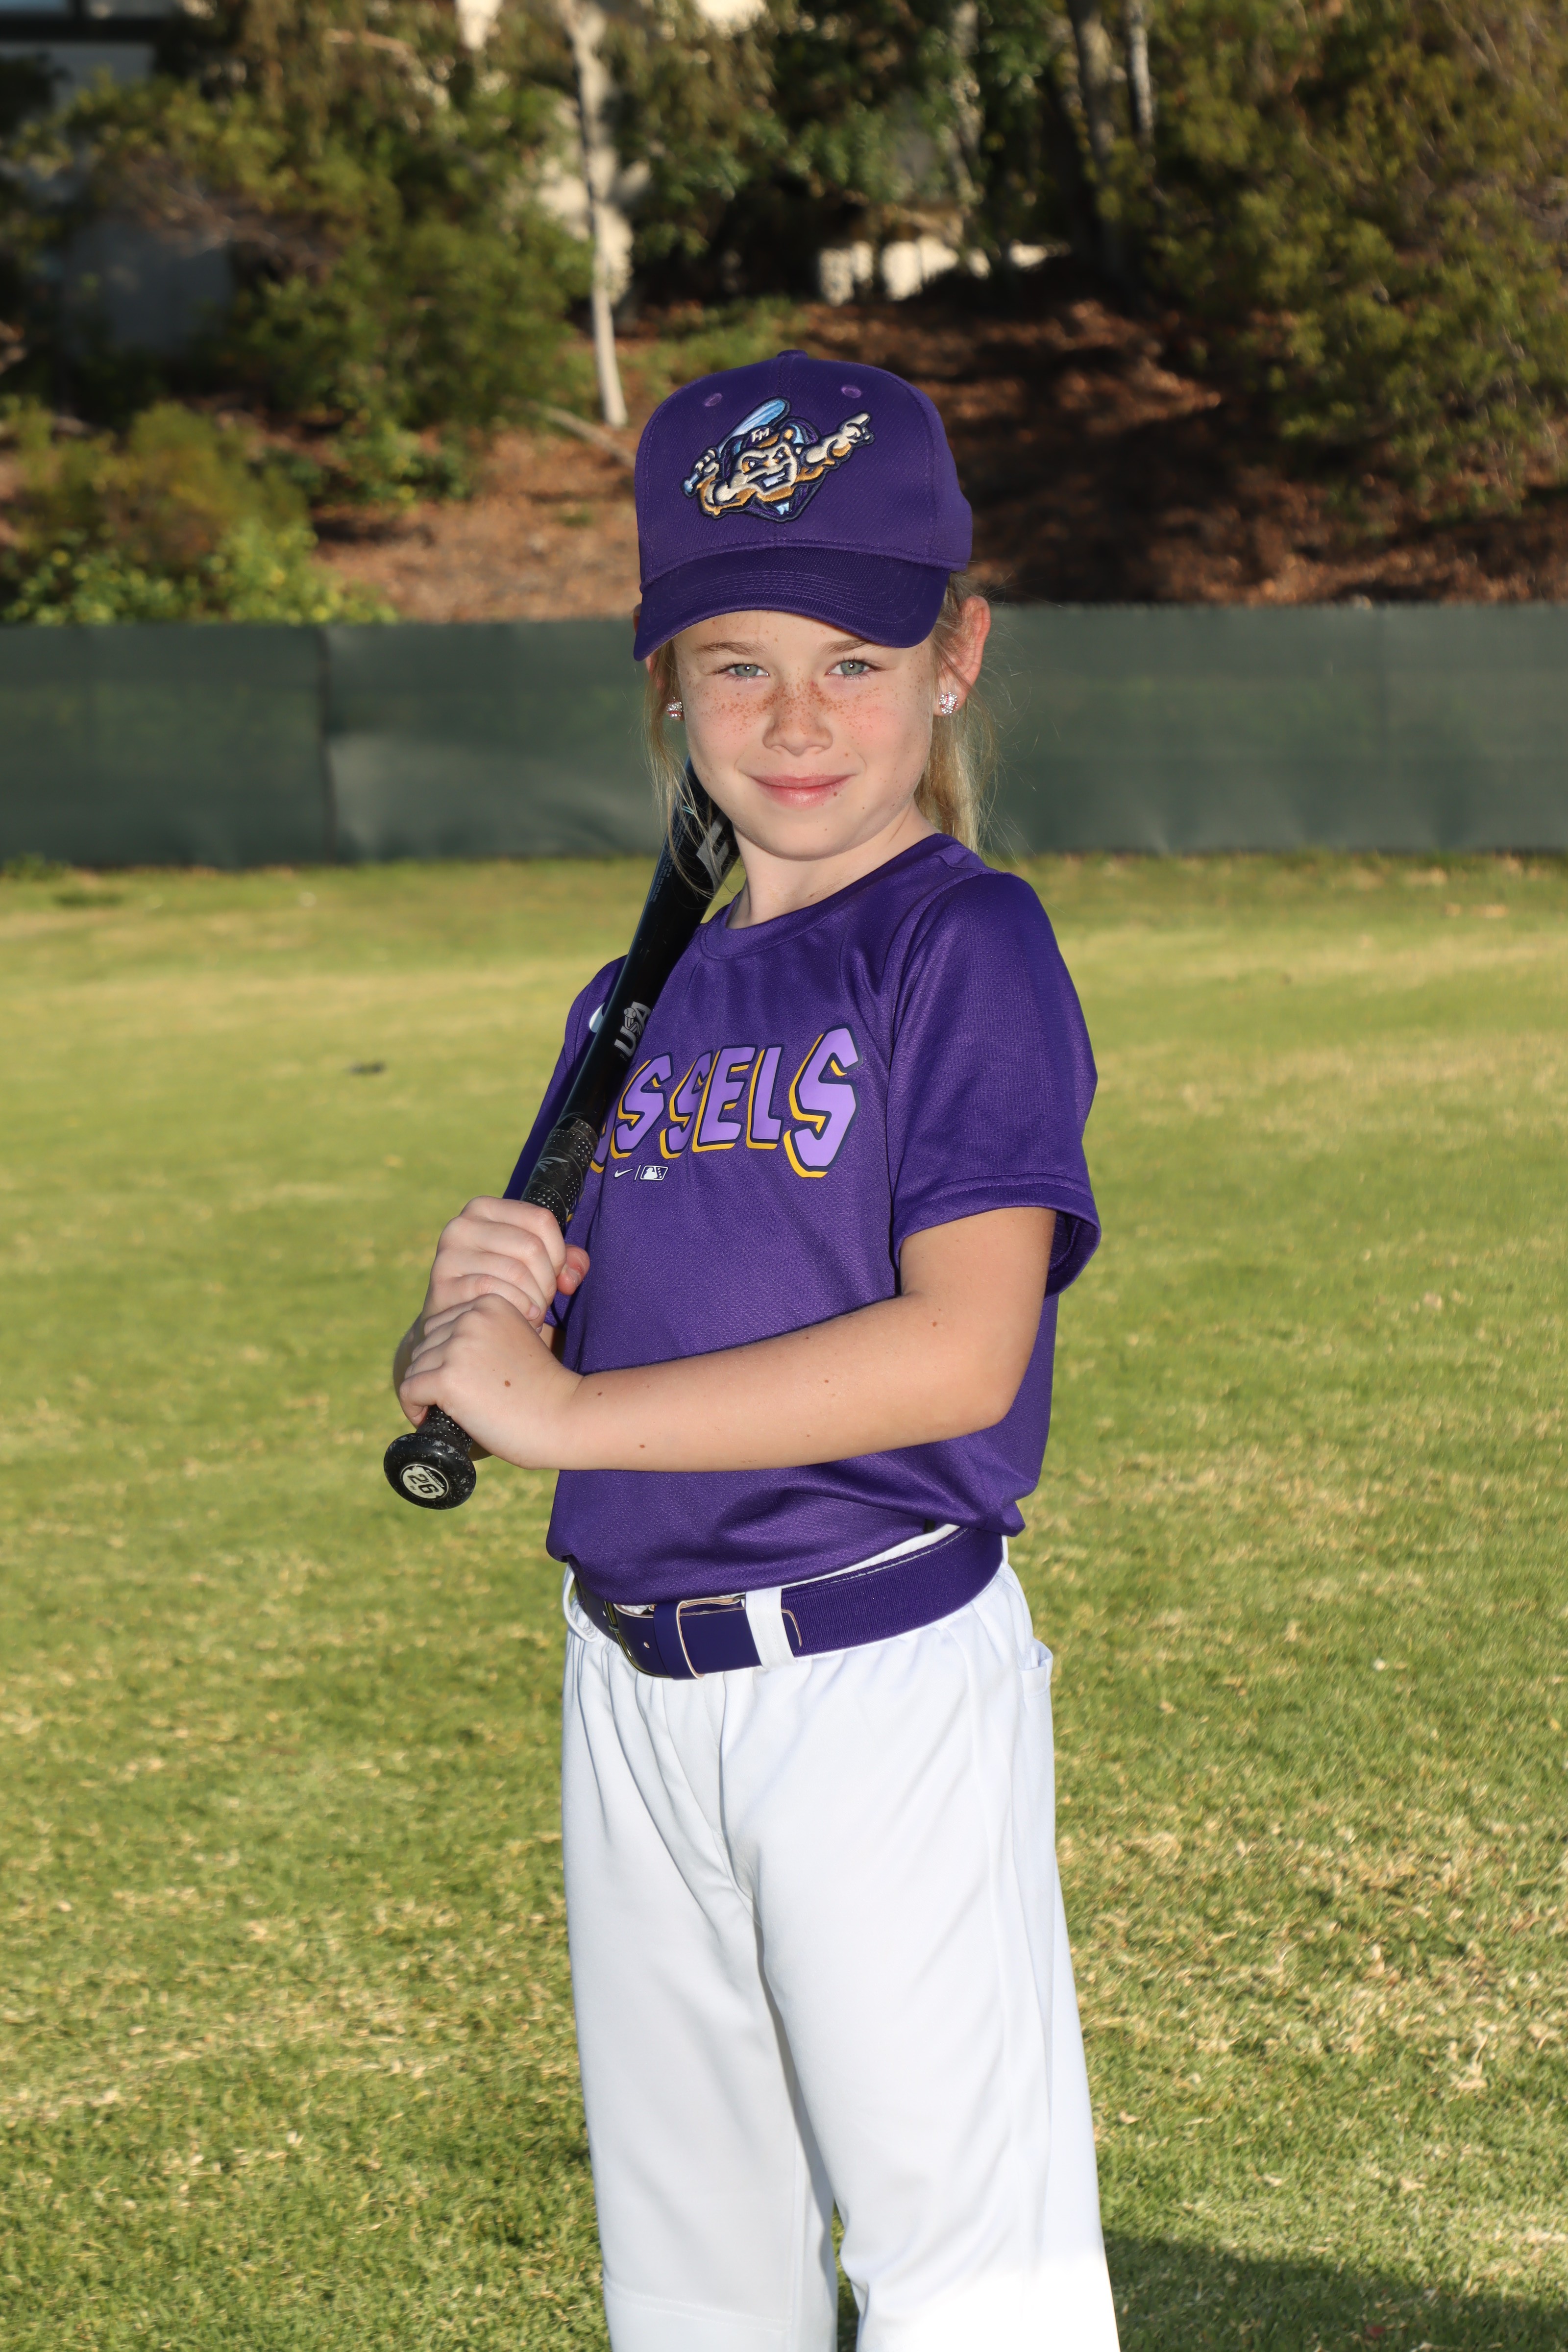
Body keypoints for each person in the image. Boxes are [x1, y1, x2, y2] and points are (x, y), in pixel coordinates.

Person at [394, 351, 1120, 2352]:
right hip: (631, 1689)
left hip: (868, 1672)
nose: (796, 721)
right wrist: (476, 1320)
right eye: (737, 666)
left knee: (967, 2279)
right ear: (669, 686)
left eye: (853, 661)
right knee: (696, 2288)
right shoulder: (632, 999)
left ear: (956, 656)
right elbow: (566, 1349)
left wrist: (561, 1409)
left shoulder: (960, 944)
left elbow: (961, 1352)